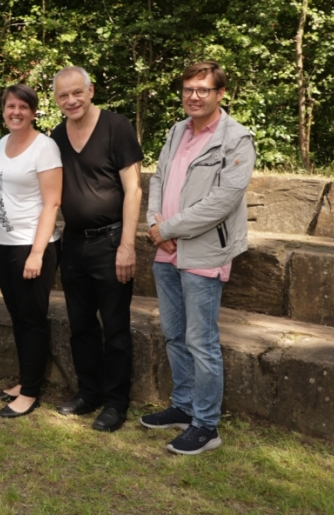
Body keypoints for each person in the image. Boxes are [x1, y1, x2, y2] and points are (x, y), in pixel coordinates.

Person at [143, 61, 255, 455]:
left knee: (201, 341)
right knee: (174, 334)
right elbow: (158, 179)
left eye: (203, 89)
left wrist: (169, 228)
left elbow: (223, 200)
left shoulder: (236, 139)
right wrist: (154, 223)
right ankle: (183, 407)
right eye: (188, 89)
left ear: (220, 93)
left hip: (203, 252)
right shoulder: (177, 131)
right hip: (166, 250)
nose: (194, 96)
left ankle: (206, 425)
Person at [51, 66, 143, 432]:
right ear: (56, 100)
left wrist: (127, 246)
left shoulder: (116, 127)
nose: (71, 100)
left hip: (111, 241)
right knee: (81, 326)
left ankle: (116, 402)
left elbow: (133, 189)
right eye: (63, 95)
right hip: (74, 243)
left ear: (90, 91)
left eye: (77, 92)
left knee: (115, 328)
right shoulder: (57, 136)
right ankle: (88, 393)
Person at [0, 84, 62, 418]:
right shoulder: (2, 142)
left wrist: (37, 253)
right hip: (2, 243)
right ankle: (25, 380)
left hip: (31, 245)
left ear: (33, 112)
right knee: (17, 316)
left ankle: (31, 392)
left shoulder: (45, 147)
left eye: (23, 106)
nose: (15, 112)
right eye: (10, 106)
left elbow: (52, 202)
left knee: (32, 318)